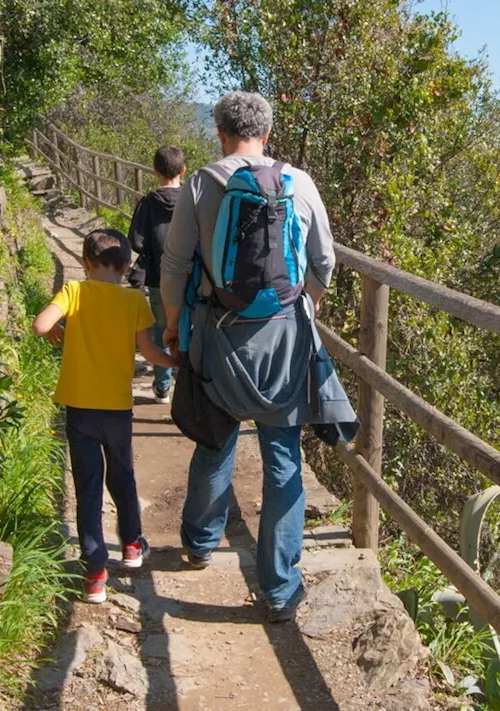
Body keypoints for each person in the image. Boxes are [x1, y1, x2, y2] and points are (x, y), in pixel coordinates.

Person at [160, 91, 337, 622]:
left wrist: (173, 324)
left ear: (219, 133)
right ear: (268, 132)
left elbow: (174, 262)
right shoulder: (299, 182)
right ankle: (280, 589)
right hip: (284, 336)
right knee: (284, 457)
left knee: (216, 438)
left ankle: (198, 541)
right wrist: (306, 305)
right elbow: (323, 259)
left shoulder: (200, 183)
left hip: (219, 333)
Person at [32, 228, 178, 603]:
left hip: (80, 408)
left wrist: (57, 332)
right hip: (117, 407)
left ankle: (95, 575)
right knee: (123, 474)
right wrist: (180, 364)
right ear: (127, 265)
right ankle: (131, 544)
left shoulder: (75, 292)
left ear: (85, 262)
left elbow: (41, 324)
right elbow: (149, 352)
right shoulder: (135, 301)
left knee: (88, 489)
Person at [127, 146, 185, 404]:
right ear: (183, 170)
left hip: (160, 278)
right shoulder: (193, 200)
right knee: (190, 331)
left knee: (163, 329)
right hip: (191, 278)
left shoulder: (149, 202)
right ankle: (187, 388)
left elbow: (136, 241)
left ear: (155, 172)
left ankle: (163, 387)